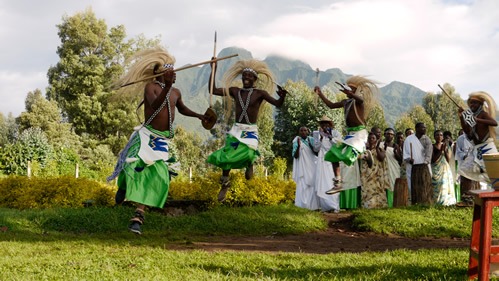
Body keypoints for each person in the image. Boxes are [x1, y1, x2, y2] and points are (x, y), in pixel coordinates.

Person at [108, 47, 208, 234]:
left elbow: (183, 109)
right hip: (147, 136)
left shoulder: (176, 91)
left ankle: (138, 215)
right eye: (170, 72)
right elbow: (154, 106)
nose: (174, 74)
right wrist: (167, 87)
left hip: (162, 141)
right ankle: (123, 185)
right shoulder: (151, 87)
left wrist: (199, 116)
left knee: (159, 176)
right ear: (159, 73)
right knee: (135, 167)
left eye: (174, 71)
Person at [207, 59, 287, 202]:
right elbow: (212, 90)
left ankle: (250, 163)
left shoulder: (260, 93)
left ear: (255, 79)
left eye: (249, 76)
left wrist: (282, 96)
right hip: (237, 129)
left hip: (250, 131)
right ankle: (225, 183)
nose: (246, 78)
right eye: (244, 75)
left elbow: (277, 104)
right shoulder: (235, 91)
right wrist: (213, 69)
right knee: (227, 155)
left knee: (250, 153)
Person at [314, 76, 379, 195]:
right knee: (332, 154)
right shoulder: (345, 102)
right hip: (349, 134)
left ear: (355, 91)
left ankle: (364, 155)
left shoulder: (358, 102)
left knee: (347, 156)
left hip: (359, 133)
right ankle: (337, 183)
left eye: (350, 89)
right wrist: (320, 93)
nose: (346, 91)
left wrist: (350, 93)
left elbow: (361, 100)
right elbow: (331, 105)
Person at [458, 91, 498, 185]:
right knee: (464, 172)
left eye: (475, 102)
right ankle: (469, 197)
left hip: (486, 148)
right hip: (477, 149)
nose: (472, 105)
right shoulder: (471, 116)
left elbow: (494, 123)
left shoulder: (482, 114)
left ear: (480, 104)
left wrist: (477, 120)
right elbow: (468, 132)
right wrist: (461, 118)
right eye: (471, 102)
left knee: (494, 174)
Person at [313, 116, 342, 212]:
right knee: (322, 183)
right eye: (323, 123)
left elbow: (339, 145)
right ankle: (324, 207)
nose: (325, 125)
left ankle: (334, 206)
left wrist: (329, 136)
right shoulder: (317, 134)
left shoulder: (336, 133)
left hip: (332, 161)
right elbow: (316, 149)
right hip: (321, 162)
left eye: (326, 123)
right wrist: (321, 138)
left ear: (330, 124)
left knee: (332, 182)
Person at [403, 122, 433, 205]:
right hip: (412, 167)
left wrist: (424, 163)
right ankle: (414, 202)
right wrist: (409, 160)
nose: (424, 129)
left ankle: (425, 202)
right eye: (422, 128)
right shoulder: (409, 139)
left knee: (424, 186)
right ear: (416, 129)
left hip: (424, 167)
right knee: (413, 186)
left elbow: (428, 153)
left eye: (425, 127)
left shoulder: (427, 139)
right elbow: (405, 154)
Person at [292, 126, 319, 210]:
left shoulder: (311, 139)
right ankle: (302, 205)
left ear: (308, 131)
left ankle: (314, 206)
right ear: (299, 132)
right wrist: (299, 146)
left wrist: (310, 145)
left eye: (305, 130)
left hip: (311, 166)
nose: (303, 132)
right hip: (302, 167)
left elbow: (316, 153)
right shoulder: (296, 141)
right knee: (303, 184)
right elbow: (295, 156)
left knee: (312, 184)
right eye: (301, 130)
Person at [360, 132, 389, 208]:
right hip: (366, 174)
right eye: (369, 138)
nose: (371, 139)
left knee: (378, 190)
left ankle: (379, 205)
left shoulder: (380, 149)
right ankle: (368, 205)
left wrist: (376, 148)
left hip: (377, 175)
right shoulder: (364, 150)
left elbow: (381, 158)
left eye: (373, 138)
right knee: (367, 189)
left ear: (376, 140)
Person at [431, 130, 456, 206]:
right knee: (437, 185)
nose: (439, 136)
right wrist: (441, 150)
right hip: (436, 169)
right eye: (437, 135)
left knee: (445, 184)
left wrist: (444, 150)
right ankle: (436, 202)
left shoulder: (445, 146)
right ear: (434, 137)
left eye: (441, 135)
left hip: (445, 169)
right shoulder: (432, 146)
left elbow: (448, 159)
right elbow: (433, 159)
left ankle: (446, 202)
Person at [381, 128, 400, 207]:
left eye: (391, 134)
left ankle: (393, 203)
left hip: (394, 168)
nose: (389, 135)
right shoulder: (381, 145)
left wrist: (395, 152)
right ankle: (385, 203)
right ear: (384, 134)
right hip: (383, 169)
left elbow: (400, 159)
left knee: (393, 185)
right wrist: (384, 148)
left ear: (393, 136)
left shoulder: (396, 146)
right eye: (388, 133)